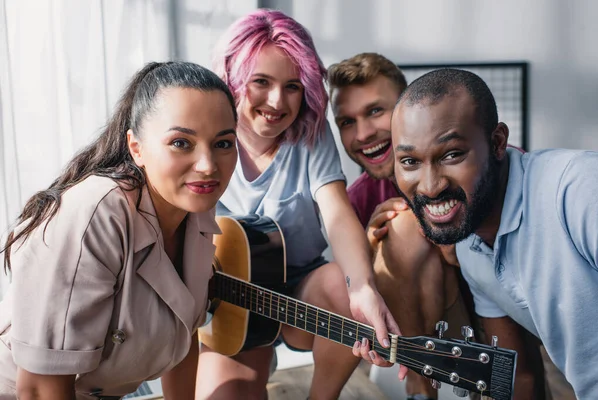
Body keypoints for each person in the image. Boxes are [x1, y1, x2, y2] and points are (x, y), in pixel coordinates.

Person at [195, 9, 403, 400]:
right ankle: (256, 360)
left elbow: (337, 213)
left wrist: (363, 289)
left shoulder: (310, 130)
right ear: (233, 79)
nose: (277, 101)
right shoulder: (206, 134)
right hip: (230, 302)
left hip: (299, 292)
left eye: (292, 86)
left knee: (346, 287)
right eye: (261, 82)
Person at [0, 61, 238, 399]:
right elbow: (39, 388)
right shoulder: (94, 214)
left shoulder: (195, 207)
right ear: (136, 147)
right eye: (181, 143)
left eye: (223, 143)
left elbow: (185, 338)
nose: (208, 165)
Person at [358, 67, 598, 399]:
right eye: (410, 161)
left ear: (497, 142)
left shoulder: (579, 189)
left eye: (452, 154)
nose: (430, 186)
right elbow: (519, 377)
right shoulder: (472, 250)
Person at [328, 53, 483, 400]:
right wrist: (370, 250)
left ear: (405, 109)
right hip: (413, 342)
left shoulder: (475, 164)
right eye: (347, 122)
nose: (364, 133)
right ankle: (418, 383)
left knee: (403, 225)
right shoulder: (356, 200)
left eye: (374, 111)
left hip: (492, 324)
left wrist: (453, 250)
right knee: (391, 229)